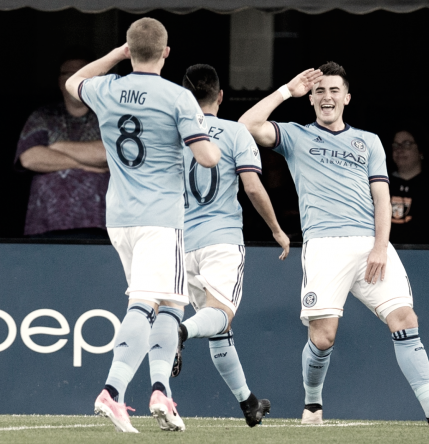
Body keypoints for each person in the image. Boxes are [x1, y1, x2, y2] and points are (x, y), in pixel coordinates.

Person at [239, 62, 429, 427]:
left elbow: (382, 197)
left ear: (347, 98)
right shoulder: (296, 136)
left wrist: (381, 246)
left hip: (370, 245)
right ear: (311, 99)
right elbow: (245, 127)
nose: (327, 97)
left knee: (404, 318)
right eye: (320, 91)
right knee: (323, 337)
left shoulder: (369, 141)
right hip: (325, 246)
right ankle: (313, 407)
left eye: (334, 90)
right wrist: (288, 90)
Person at [65, 18, 221, 433]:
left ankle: (160, 392)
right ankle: (112, 392)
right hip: (159, 218)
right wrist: (209, 138)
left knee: (170, 303)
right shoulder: (178, 97)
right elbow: (207, 158)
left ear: (130, 50)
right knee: (145, 304)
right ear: (167, 52)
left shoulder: (106, 88)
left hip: (119, 216)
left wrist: (116, 56)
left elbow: (74, 82)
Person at [168, 64, 289, 427]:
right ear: (221, 96)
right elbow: (252, 187)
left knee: (219, 329)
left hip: (182, 244)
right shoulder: (236, 132)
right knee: (221, 314)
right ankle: (180, 331)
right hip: (221, 239)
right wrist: (277, 230)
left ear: (186, 98)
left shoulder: (174, 133)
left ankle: (249, 403)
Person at [15, 48, 110, 239]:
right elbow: (29, 158)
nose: (75, 79)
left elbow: (106, 154)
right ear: (60, 82)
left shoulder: (109, 116)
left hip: (98, 224)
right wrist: (83, 164)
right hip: (44, 225)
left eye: (82, 74)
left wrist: (57, 147)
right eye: (69, 75)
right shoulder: (42, 117)